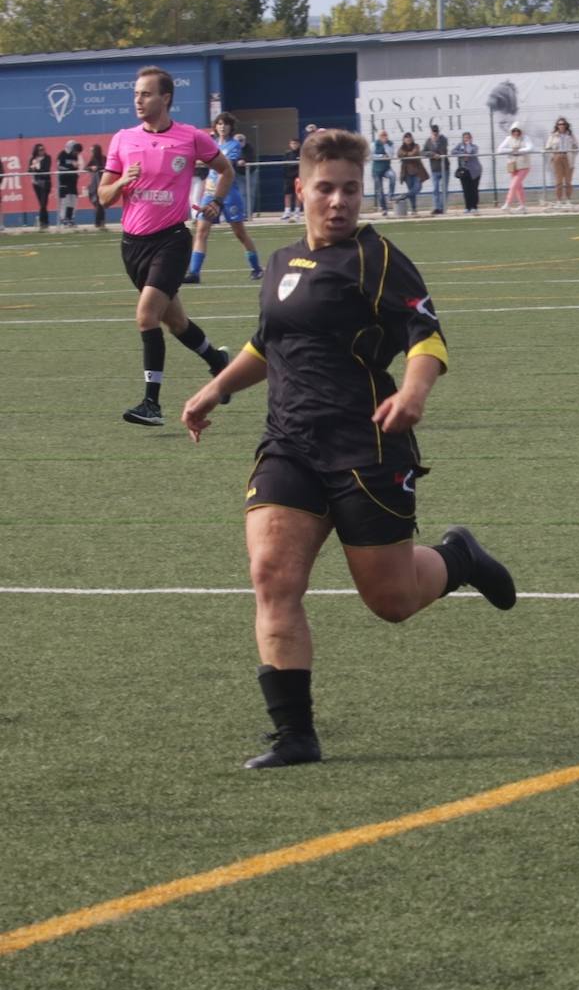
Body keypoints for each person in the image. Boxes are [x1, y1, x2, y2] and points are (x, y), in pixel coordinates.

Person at [179, 128, 517, 770]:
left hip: (367, 447)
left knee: (390, 602)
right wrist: (216, 389)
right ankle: (294, 735)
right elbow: (269, 344)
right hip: (289, 446)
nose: (339, 201)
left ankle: (459, 558)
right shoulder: (279, 263)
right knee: (272, 577)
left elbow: (429, 335)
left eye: (351, 190)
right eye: (326, 188)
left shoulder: (377, 258)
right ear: (300, 189)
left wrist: (414, 391)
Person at [98, 66, 235, 427]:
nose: (138, 101)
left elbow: (226, 170)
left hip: (172, 241)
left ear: (166, 98)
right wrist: (122, 182)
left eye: (146, 94)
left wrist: (215, 202)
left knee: (146, 316)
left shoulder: (190, 138)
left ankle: (151, 404)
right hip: (132, 246)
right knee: (176, 322)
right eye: (136, 94)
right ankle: (219, 363)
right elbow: (103, 195)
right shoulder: (123, 139)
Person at [185, 113, 264, 284]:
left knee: (240, 233)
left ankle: (257, 268)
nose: (222, 127)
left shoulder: (234, 145)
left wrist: (201, 161)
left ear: (230, 127)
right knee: (201, 231)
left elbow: (225, 165)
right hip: (210, 194)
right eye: (219, 124)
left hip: (229, 195)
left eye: (225, 124)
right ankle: (194, 273)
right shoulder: (211, 144)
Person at [496, 124, 533, 214]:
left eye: (518, 131)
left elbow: (530, 148)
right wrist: (512, 150)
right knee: (518, 187)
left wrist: (519, 150)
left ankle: (507, 204)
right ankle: (523, 206)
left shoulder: (525, 138)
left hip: (524, 165)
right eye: (514, 131)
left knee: (513, 185)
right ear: (511, 131)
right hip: (513, 165)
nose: (516, 133)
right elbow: (500, 150)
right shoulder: (508, 138)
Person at [545, 117, 579, 209]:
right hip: (557, 157)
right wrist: (553, 156)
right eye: (559, 124)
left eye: (563, 124)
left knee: (568, 181)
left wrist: (572, 155)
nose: (561, 126)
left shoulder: (570, 135)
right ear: (557, 125)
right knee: (559, 181)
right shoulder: (553, 135)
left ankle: (568, 200)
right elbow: (548, 147)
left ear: (566, 125)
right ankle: (559, 201)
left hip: (568, 158)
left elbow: (576, 147)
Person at [422, 123, 449, 214]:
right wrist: (432, 154)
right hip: (434, 169)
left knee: (444, 189)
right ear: (431, 132)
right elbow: (423, 152)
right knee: (435, 189)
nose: (435, 133)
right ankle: (436, 207)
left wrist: (436, 143)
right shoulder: (428, 141)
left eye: (436, 132)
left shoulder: (443, 139)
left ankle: (442, 207)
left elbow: (443, 150)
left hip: (444, 167)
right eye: (433, 132)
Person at [397, 131, 426, 214]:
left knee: (418, 188)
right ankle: (414, 209)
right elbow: (399, 154)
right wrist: (408, 154)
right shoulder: (401, 147)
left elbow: (415, 153)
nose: (408, 139)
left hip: (417, 172)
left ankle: (404, 196)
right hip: (407, 173)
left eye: (409, 137)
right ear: (403, 139)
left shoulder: (416, 146)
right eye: (406, 137)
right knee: (411, 191)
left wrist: (406, 155)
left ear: (412, 138)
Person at [454, 131, 482, 215]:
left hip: (474, 171)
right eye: (465, 138)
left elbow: (471, 152)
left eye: (468, 138)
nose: (466, 139)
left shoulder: (474, 146)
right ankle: (467, 207)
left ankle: (474, 207)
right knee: (466, 190)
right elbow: (453, 152)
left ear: (471, 138)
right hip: (464, 171)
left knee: (474, 189)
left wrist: (467, 149)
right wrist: (462, 154)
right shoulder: (460, 146)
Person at [56, 140, 82, 227]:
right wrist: (71, 167)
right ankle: (64, 218)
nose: (76, 152)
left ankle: (70, 217)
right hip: (64, 180)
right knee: (65, 200)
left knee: (73, 200)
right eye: (74, 149)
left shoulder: (75, 156)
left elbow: (76, 166)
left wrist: (76, 168)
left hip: (73, 180)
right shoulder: (62, 154)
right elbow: (59, 166)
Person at [371, 130, 396, 215]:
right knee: (380, 191)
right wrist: (381, 156)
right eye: (382, 135)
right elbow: (371, 155)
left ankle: (390, 196)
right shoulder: (374, 144)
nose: (384, 137)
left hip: (386, 168)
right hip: (376, 170)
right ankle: (384, 209)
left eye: (385, 135)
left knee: (393, 176)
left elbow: (391, 155)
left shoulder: (390, 144)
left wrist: (385, 145)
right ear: (379, 136)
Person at [28, 144, 51, 230]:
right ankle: (45, 222)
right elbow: (29, 169)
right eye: (40, 149)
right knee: (41, 203)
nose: (42, 151)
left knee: (43, 202)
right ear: (36, 150)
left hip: (45, 182)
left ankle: (43, 222)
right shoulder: (33, 159)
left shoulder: (47, 158)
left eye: (43, 149)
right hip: (36, 183)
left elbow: (46, 169)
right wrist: (32, 168)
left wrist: (36, 169)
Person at [86, 143, 108, 230]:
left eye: (92, 151)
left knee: (100, 203)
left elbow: (106, 167)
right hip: (95, 184)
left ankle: (99, 222)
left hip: (103, 183)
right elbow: (86, 167)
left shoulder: (103, 158)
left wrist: (97, 168)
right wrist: (91, 168)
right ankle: (100, 222)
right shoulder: (93, 159)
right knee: (97, 203)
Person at [280, 137, 302, 222]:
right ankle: (287, 212)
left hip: (299, 177)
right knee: (287, 194)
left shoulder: (302, 153)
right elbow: (285, 165)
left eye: (295, 143)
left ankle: (297, 212)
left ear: (299, 144)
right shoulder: (287, 154)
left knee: (298, 195)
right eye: (292, 143)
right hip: (288, 177)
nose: (294, 145)